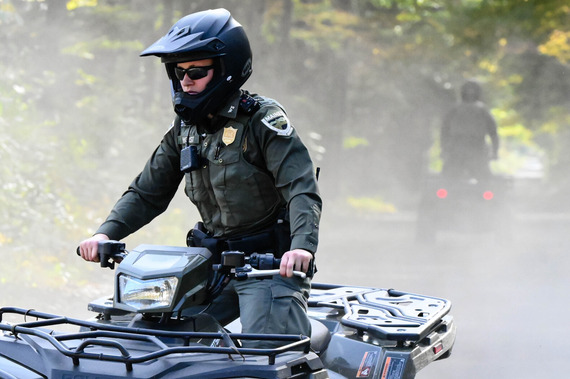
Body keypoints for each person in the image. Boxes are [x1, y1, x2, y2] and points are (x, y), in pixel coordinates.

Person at [78, 8, 322, 347]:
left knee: (267, 355)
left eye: (196, 71)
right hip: (212, 264)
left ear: (226, 69)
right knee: (145, 338)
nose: (185, 80)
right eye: (179, 72)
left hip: (268, 267)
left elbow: (301, 189)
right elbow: (148, 192)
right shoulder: (184, 129)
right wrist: (105, 233)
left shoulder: (260, 121)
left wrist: (301, 249)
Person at [440, 80, 499, 179]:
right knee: (449, 178)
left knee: (449, 178)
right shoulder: (481, 110)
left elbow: (493, 133)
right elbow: (444, 131)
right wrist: (495, 152)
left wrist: (495, 151)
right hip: (461, 148)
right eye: (468, 91)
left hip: (473, 148)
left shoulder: (456, 109)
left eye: (472, 91)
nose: (470, 94)